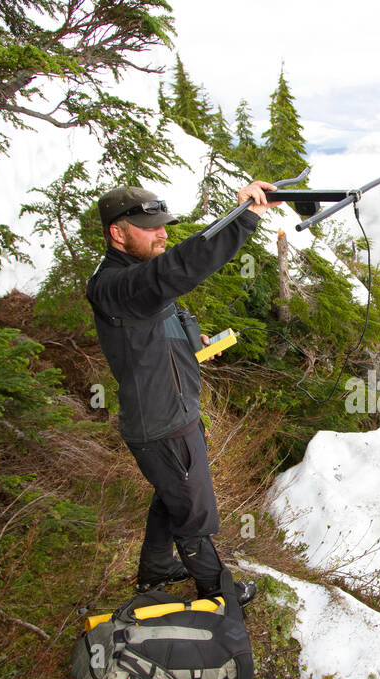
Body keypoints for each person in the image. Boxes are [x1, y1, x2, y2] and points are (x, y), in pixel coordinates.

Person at [86, 180, 280, 601]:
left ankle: (155, 570)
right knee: (194, 513)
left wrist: (193, 341)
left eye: (163, 225)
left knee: (172, 492)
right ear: (117, 233)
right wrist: (244, 217)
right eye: (150, 227)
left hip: (174, 410)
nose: (162, 233)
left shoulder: (132, 281)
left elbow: (154, 320)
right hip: (161, 423)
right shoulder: (115, 284)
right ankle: (217, 590)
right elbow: (172, 272)